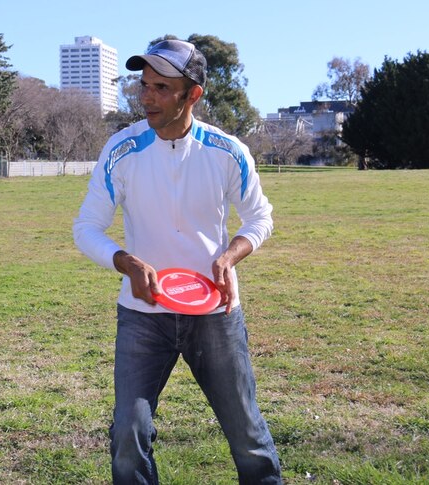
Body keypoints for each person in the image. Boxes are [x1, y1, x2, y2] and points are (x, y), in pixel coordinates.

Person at [72, 39, 283, 484]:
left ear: (193, 95)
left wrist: (231, 255)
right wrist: (124, 261)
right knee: (128, 433)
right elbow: (87, 227)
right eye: (144, 85)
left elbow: (260, 218)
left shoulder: (227, 152)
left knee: (246, 432)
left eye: (161, 87)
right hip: (143, 315)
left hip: (214, 313)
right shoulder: (121, 150)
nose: (146, 96)